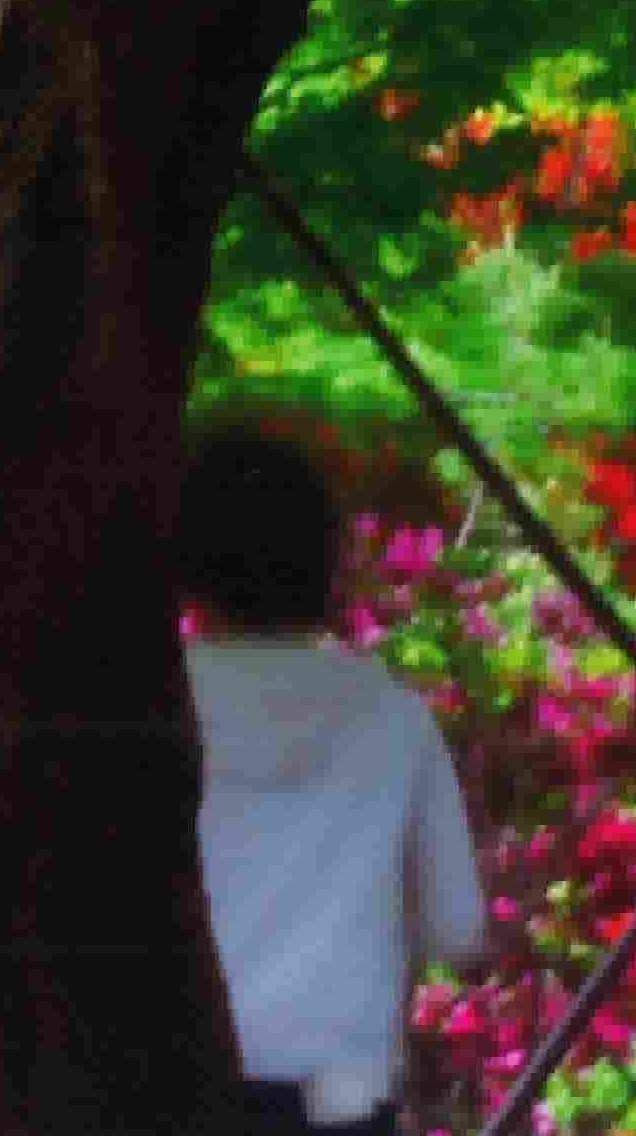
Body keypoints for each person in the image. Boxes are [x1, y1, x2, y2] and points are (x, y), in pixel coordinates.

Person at [175, 417, 488, 1136]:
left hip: (178, 1083)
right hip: (337, 1091)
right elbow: (459, 928)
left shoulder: (151, 708)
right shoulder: (393, 717)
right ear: (327, 563)